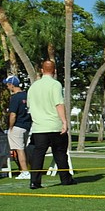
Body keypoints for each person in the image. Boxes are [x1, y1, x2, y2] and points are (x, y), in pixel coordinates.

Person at [27, 60, 75, 189]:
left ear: (42, 71)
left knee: (38, 154)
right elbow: (59, 104)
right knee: (60, 153)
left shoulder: (33, 87)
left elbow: (30, 106)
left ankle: (34, 182)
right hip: (54, 125)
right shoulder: (55, 85)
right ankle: (66, 179)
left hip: (39, 127)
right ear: (54, 71)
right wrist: (64, 122)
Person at [4, 75, 31, 179]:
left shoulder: (15, 97)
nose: (7, 87)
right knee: (24, 149)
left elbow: (13, 114)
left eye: (7, 85)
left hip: (18, 125)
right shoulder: (26, 95)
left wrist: (10, 127)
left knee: (19, 150)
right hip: (27, 125)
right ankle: (27, 168)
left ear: (11, 85)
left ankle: (24, 171)